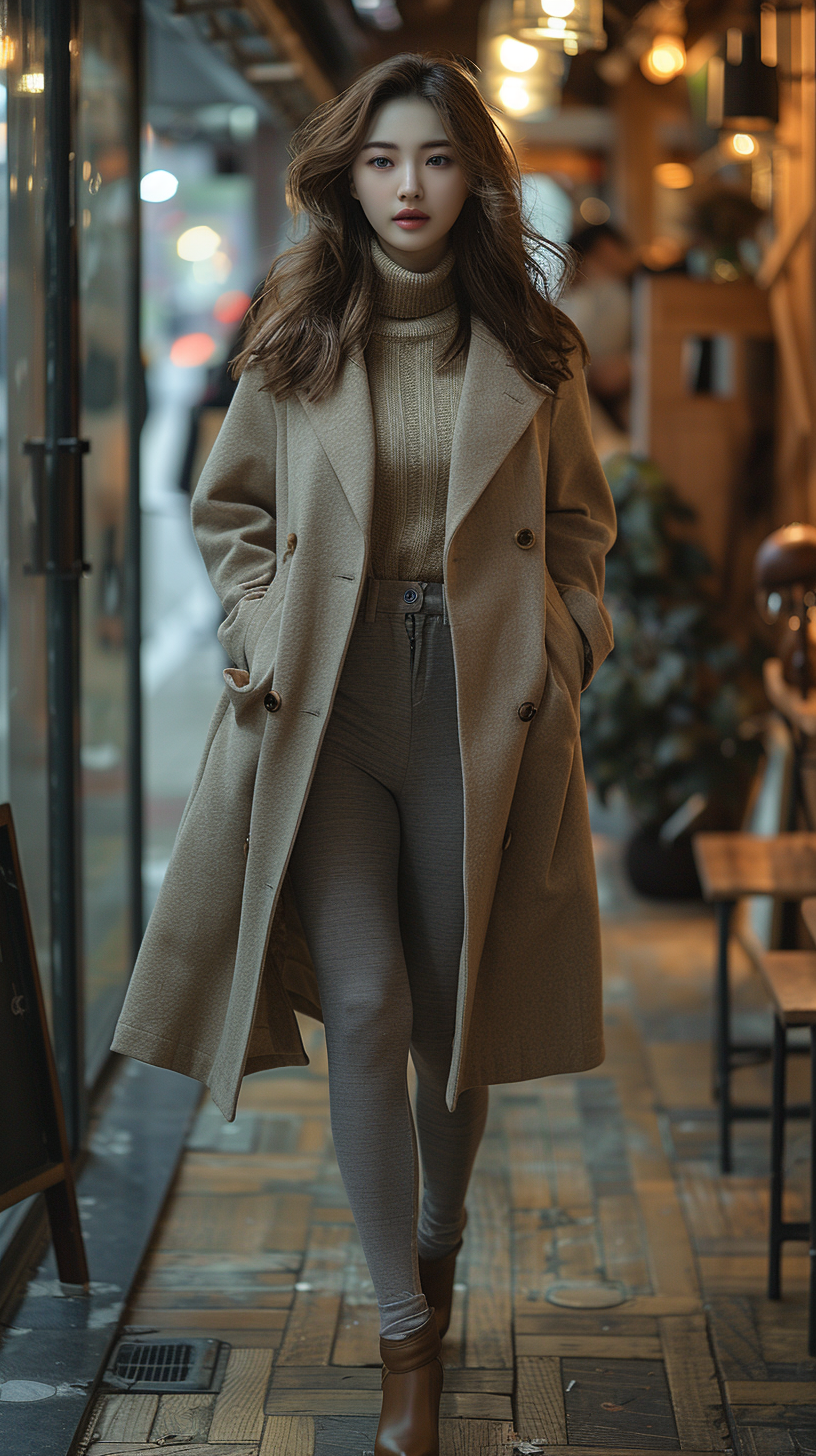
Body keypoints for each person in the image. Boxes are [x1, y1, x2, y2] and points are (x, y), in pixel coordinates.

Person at [112, 53, 616, 1456]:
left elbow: (581, 529)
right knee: (369, 1005)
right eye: (387, 160)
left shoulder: (533, 348)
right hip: (327, 712)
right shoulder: (298, 332)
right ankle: (406, 1337)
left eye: (439, 160)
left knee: (456, 1014)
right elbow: (232, 512)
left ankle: (440, 1242)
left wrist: (563, 647)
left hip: (477, 697)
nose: (411, 187)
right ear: (352, 173)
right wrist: (264, 624)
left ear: (476, 178)